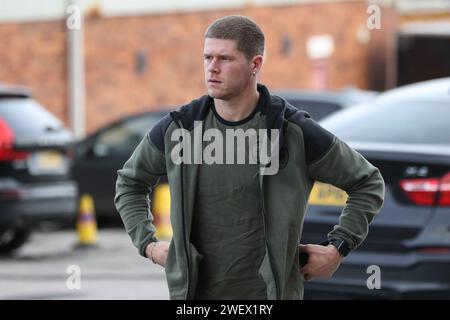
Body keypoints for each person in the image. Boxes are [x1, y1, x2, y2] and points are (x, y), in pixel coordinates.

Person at [115, 15, 385, 300]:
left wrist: (338, 248)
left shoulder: (292, 131)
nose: (212, 68)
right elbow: (130, 182)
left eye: (224, 59)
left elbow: (367, 182)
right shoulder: (180, 128)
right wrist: (148, 244)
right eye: (207, 57)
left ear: (255, 64)